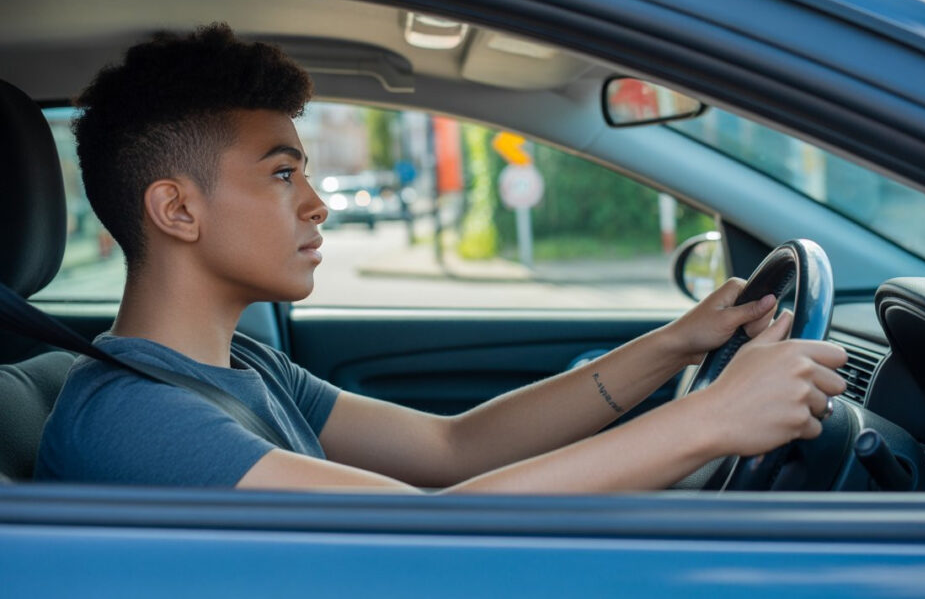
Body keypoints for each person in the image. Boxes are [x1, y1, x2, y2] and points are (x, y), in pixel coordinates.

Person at [35, 24, 847, 492]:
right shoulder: (134, 416)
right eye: (283, 174)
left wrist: (673, 345)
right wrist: (710, 419)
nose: (316, 203)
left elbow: (453, 449)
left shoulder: (243, 366)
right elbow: (427, 533)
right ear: (177, 209)